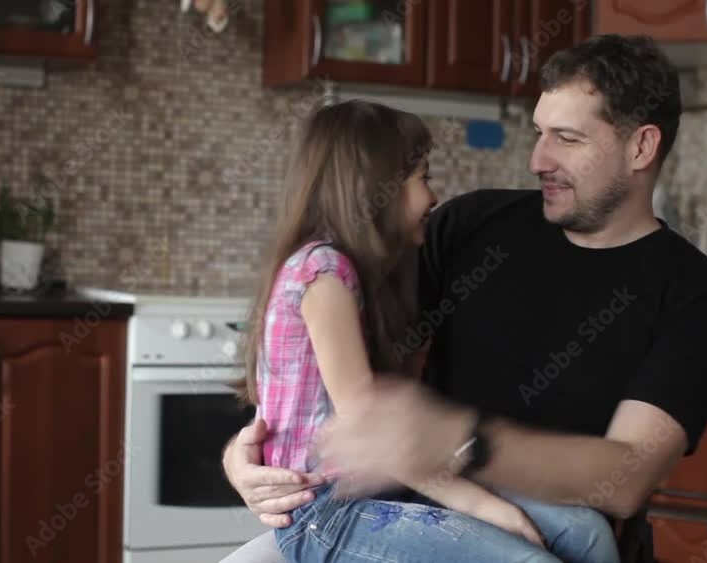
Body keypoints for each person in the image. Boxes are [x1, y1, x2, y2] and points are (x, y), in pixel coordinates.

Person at [223, 34, 707, 562]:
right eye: (539, 133)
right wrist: (246, 459)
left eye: (567, 138)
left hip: (549, 531)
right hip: (396, 505)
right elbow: (334, 373)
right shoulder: (469, 224)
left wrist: (456, 440)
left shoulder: (701, 297)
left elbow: (625, 479)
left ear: (641, 147)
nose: (538, 159)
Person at [240, 98, 620, 563]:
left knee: (586, 532)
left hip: (383, 490)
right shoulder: (323, 273)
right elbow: (373, 427)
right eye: (423, 177)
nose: (434, 196)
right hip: (328, 512)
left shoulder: (371, 273)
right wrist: (486, 506)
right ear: (374, 189)